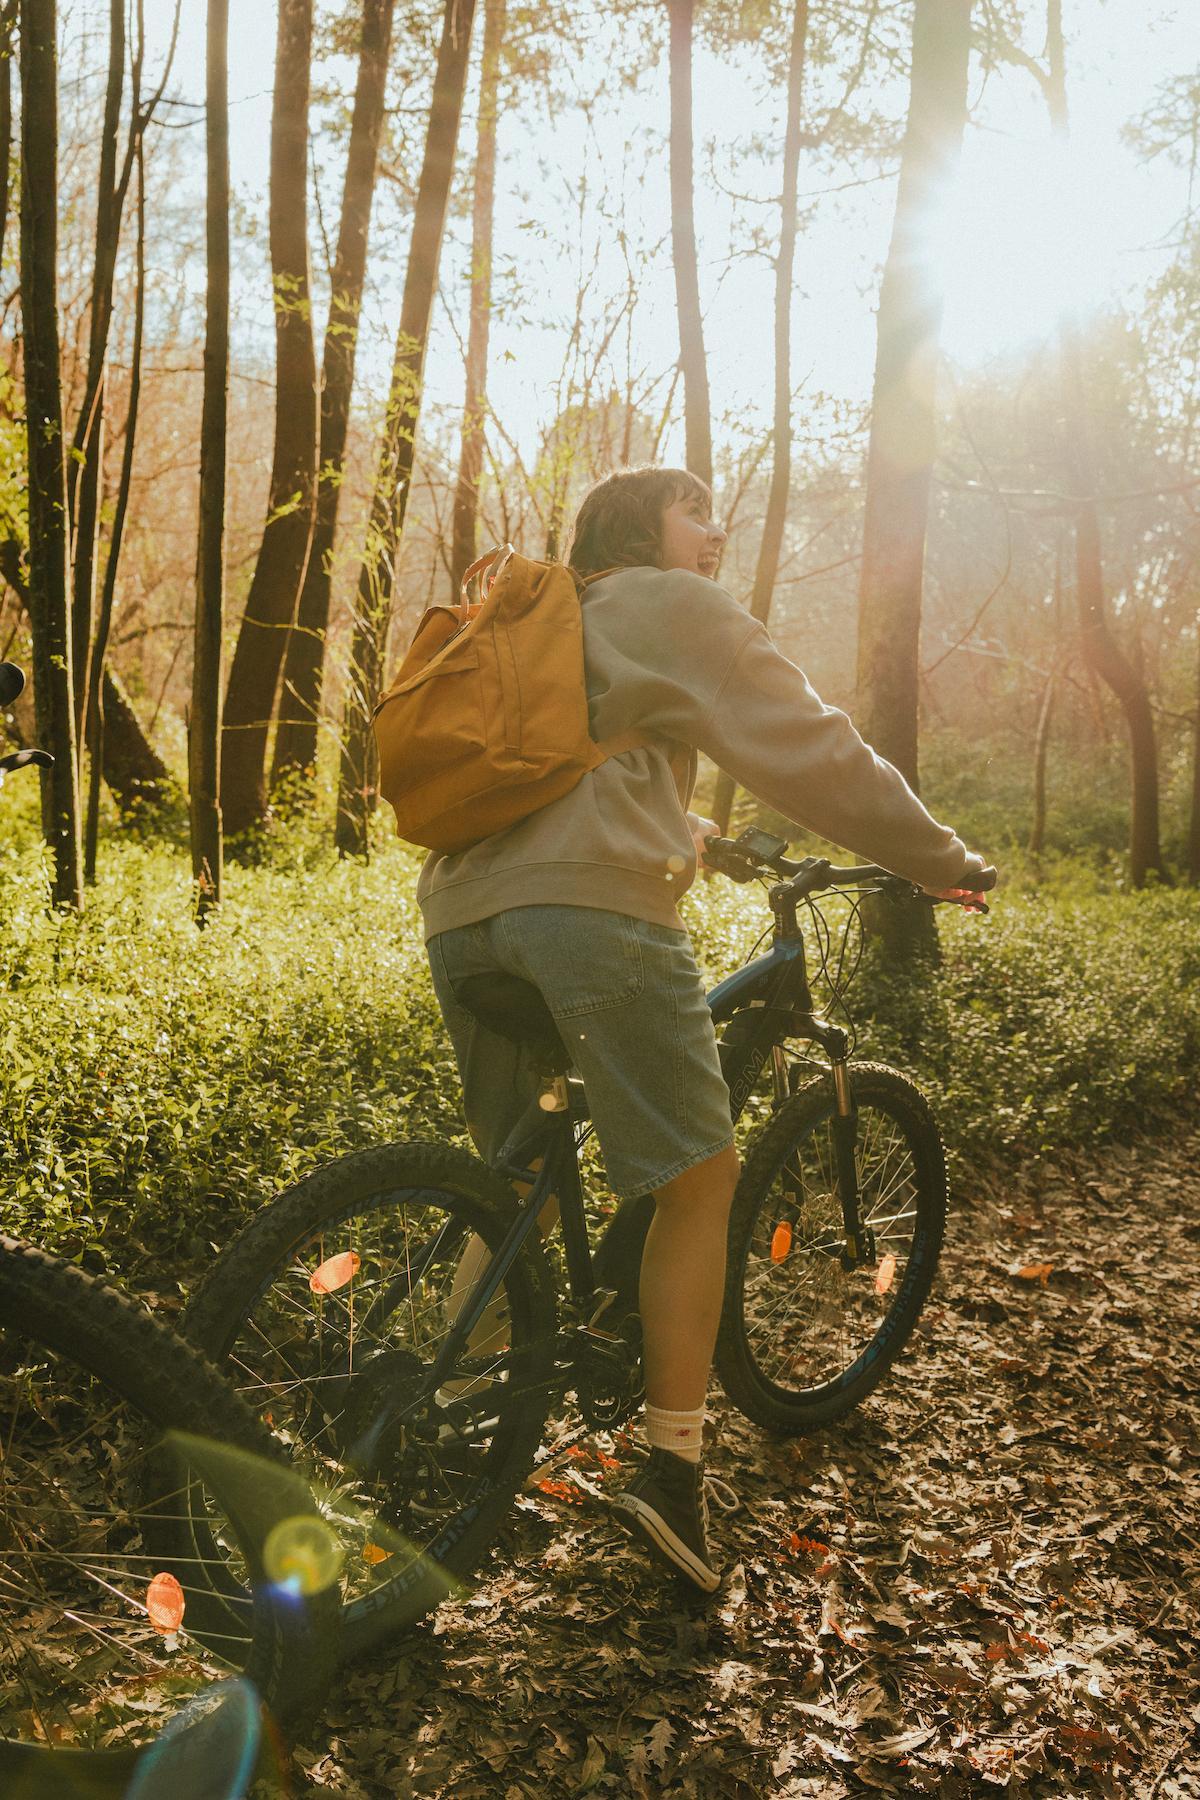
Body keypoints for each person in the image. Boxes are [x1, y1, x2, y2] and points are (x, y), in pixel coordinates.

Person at [419, 465, 989, 1593]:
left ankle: (443, 1404)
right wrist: (941, 858)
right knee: (698, 1178)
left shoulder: (546, 617)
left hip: (460, 910)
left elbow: (557, 766)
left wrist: (699, 832)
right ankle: (673, 1475)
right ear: (643, 530)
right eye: (697, 512)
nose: (718, 529)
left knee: (518, 1166)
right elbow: (816, 744)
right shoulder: (670, 604)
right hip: (590, 913)